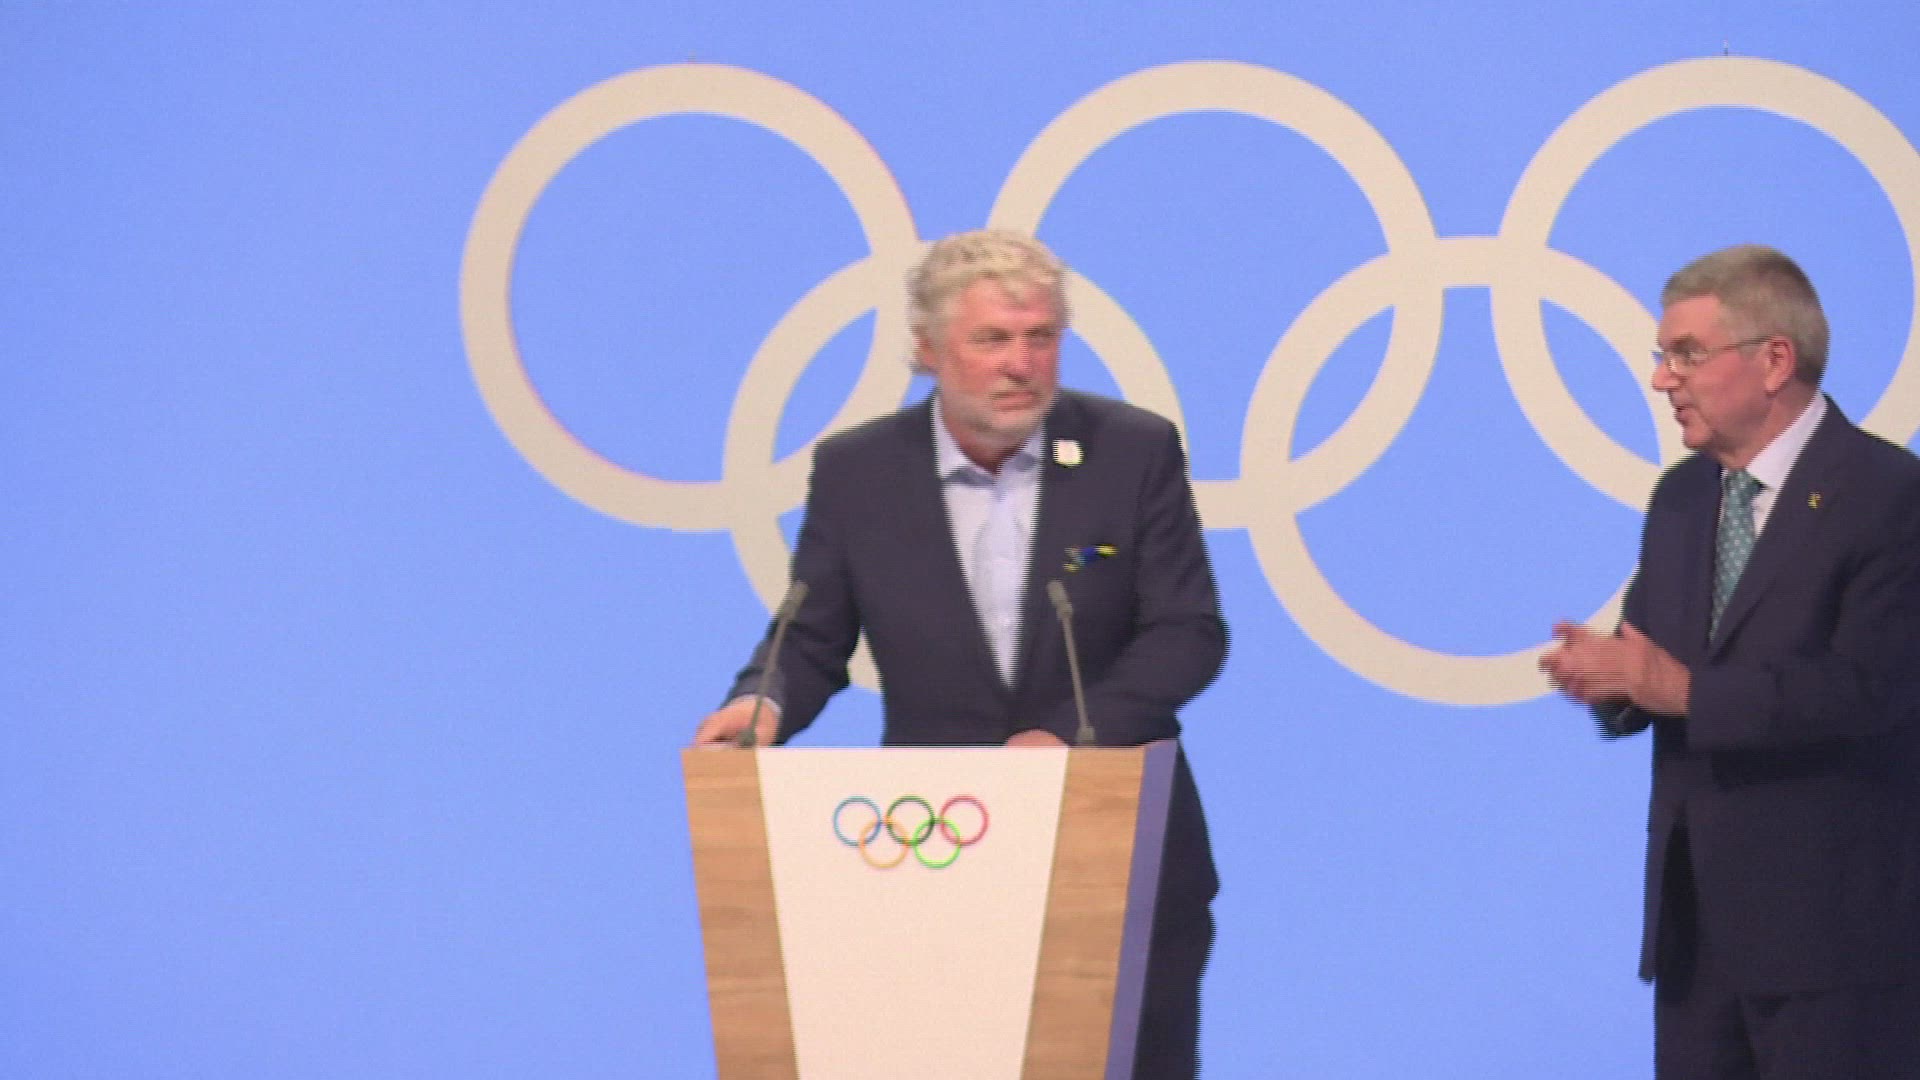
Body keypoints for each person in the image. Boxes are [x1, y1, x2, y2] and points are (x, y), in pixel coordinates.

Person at [693, 229, 1226, 1077]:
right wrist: (763, 702)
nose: (1022, 364)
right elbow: (811, 635)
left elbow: (1187, 631)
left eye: (1041, 337)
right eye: (992, 339)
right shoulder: (860, 472)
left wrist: (1067, 737)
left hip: (1121, 859)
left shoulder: (1132, 451)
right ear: (929, 349)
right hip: (934, 858)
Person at [1540, 245, 1920, 1078]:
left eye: (1687, 355)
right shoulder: (1682, 499)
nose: (1662, 380)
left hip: (1834, 947)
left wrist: (1683, 692)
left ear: (1774, 360)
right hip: (1698, 943)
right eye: (1662, 356)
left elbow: (1872, 690)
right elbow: (1651, 663)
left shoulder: (1888, 495)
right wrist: (1607, 682)